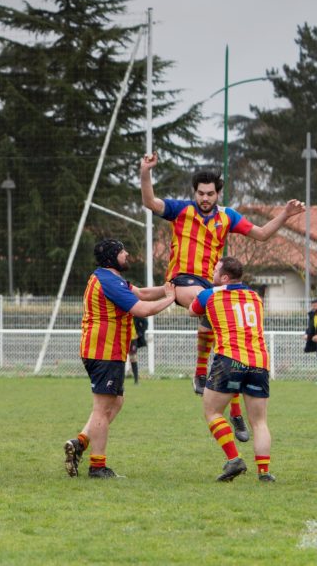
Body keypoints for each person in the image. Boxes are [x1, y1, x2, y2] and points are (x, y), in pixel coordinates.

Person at [140, 151, 303, 439]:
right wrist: (145, 172)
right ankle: (201, 372)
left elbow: (263, 234)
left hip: (211, 285)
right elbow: (150, 202)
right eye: (201, 193)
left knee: (226, 338)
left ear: (218, 194)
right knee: (211, 304)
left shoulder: (227, 216)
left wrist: (286, 214)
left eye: (210, 193)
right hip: (182, 282)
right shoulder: (181, 210)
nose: (205, 198)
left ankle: (235, 409)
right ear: (195, 193)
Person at [64, 239, 176, 479]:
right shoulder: (109, 282)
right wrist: (169, 301)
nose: (127, 254)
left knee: (116, 403)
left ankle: (80, 443)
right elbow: (142, 309)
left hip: (105, 351)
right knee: (102, 409)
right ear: (112, 257)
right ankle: (97, 466)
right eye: (123, 251)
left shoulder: (109, 278)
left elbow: (143, 293)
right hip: (104, 352)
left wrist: (170, 288)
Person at [189, 257, 274, 482]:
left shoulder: (210, 294)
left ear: (224, 277)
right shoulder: (255, 296)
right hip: (259, 362)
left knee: (212, 411)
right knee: (259, 422)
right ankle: (264, 473)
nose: (212, 273)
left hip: (231, 359)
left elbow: (192, 311)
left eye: (216, 270)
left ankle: (234, 459)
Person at [127, 316, 147, 385]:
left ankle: (136, 381)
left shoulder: (136, 314)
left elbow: (145, 323)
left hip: (132, 340)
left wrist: (139, 334)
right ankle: (118, 380)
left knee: (133, 358)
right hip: (122, 338)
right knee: (119, 359)